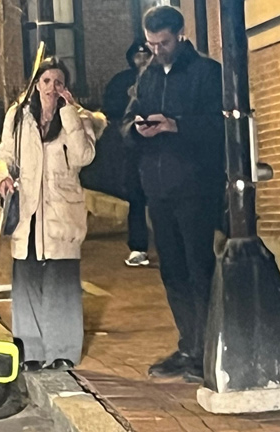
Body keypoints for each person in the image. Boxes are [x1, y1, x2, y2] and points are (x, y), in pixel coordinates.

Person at [122, 5, 225, 383]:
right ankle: (189, 346)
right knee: (172, 270)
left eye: (162, 43)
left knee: (200, 268)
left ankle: (208, 349)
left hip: (196, 187)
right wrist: (137, 129)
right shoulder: (147, 75)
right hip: (159, 189)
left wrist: (175, 126)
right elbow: (125, 123)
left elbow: (219, 126)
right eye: (150, 44)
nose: (156, 50)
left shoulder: (206, 73)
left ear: (180, 34)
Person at [0, 57, 106, 372]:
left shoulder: (79, 118)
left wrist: (69, 113)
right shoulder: (18, 117)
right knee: (26, 281)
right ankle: (30, 350)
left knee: (61, 283)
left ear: (65, 88)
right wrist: (2, 176)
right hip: (27, 209)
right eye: (46, 81)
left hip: (61, 212)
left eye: (58, 82)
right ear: (36, 84)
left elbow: (84, 156)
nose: (51, 88)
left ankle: (63, 351)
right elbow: (5, 155)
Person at [102, 40, 153, 267]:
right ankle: (138, 246)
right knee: (136, 199)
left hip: (158, 149)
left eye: (146, 56)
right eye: (138, 57)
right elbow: (112, 112)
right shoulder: (122, 81)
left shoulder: (161, 79)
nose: (142, 60)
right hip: (132, 149)